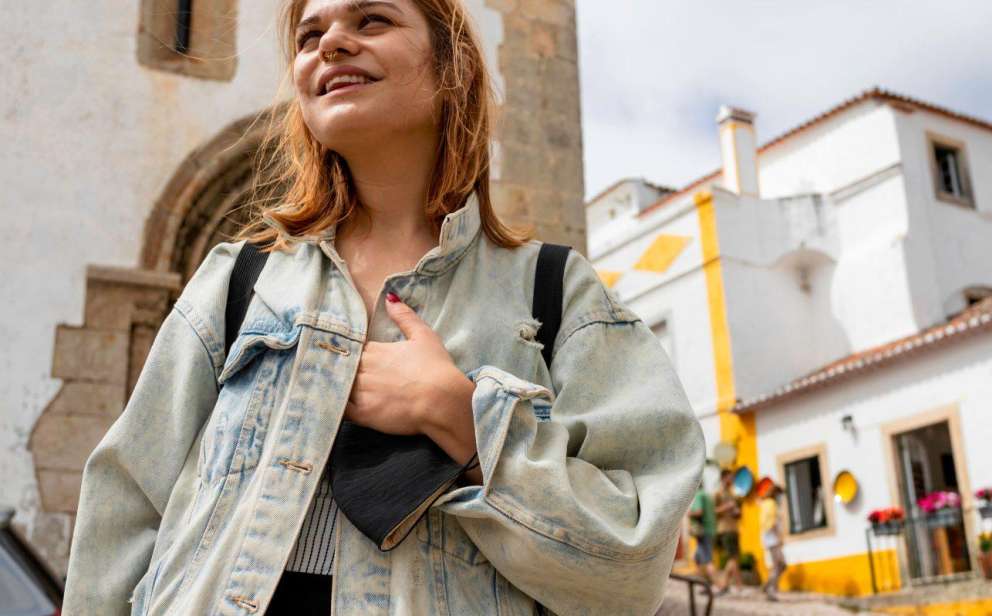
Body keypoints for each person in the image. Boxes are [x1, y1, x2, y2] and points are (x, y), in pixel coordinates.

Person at [60, 1, 705, 614]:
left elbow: (634, 564)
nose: (332, 43)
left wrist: (463, 421)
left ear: (450, 68)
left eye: (372, 20)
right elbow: (126, 508)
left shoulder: (557, 293)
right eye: (310, 36)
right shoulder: (237, 279)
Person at [714, 468, 743, 596]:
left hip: (733, 527)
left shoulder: (731, 493)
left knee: (734, 558)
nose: (732, 480)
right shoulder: (718, 493)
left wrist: (737, 513)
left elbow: (734, 511)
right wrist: (727, 507)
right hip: (724, 529)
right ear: (724, 478)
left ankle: (725, 585)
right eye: (730, 477)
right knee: (733, 557)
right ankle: (736, 586)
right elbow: (713, 512)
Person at [760, 482, 787, 601]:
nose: (781, 498)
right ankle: (771, 590)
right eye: (780, 495)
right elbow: (772, 523)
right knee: (779, 565)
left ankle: (767, 586)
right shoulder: (771, 504)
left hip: (768, 539)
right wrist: (779, 537)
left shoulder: (765, 503)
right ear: (776, 494)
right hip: (773, 539)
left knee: (780, 565)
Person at [688, 479, 718, 588]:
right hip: (710, 530)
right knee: (697, 558)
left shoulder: (699, 495)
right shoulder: (708, 496)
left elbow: (699, 512)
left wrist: (689, 513)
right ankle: (705, 584)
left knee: (708, 560)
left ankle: (719, 586)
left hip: (703, 531)